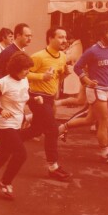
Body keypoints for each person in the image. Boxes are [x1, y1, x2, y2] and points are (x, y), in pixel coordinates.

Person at [0, 52, 40, 197]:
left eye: (29, 68)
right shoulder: (3, 82)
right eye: (25, 69)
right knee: (21, 154)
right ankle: (5, 183)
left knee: (3, 154)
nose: (28, 72)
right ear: (16, 68)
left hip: (17, 123)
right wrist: (0, 110)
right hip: (4, 124)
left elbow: (24, 97)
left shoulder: (24, 81)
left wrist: (35, 99)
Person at [20, 27, 72, 181]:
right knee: (52, 130)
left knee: (36, 130)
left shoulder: (62, 56)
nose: (64, 40)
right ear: (50, 38)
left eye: (65, 37)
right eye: (61, 37)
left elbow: (56, 78)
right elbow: (24, 74)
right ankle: (53, 167)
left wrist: (64, 74)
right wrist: (42, 76)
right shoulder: (38, 57)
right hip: (37, 97)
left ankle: (9, 140)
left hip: (49, 98)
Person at [68, 21, 108, 162]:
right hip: (96, 90)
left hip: (106, 89)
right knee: (105, 120)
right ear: (102, 35)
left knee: (89, 120)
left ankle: (63, 127)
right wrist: (87, 80)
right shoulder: (92, 50)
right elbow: (77, 67)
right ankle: (105, 152)